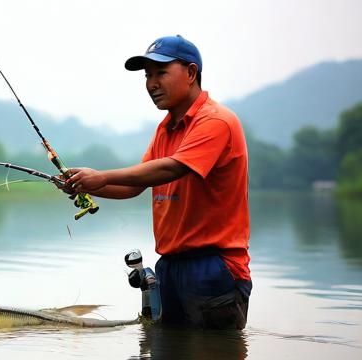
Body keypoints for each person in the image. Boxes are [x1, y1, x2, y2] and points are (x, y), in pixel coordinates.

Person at [63, 35, 252, 329]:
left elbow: (171, 168)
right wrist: (84, 184)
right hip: (170, 266)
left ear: (190, 73)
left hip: (214, 266)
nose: (152, 83)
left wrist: (101, 176)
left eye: (161, 72)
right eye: (148, 75)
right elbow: (135, 184)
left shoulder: (216, 121)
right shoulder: (165, 130)